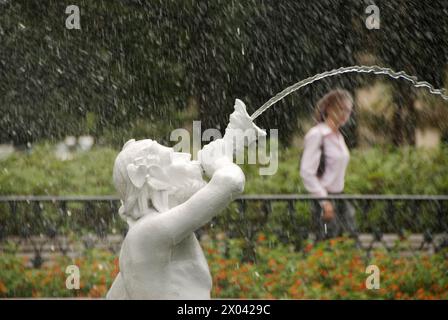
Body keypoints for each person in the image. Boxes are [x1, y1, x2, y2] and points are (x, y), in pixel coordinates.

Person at [106, 99, 265, 299]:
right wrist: (220, 162)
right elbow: (231, 182)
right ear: (153, 180)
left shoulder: (144, 236)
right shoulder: (148, 233)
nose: (187, 158)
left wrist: (231, 144)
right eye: (173, 158)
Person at [300, 89, 357, 241]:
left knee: (349, 244)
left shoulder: (339, 137)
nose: (345, 114)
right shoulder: (317, 134)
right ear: (330, 109)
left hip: (340, 198)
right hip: (324, 198)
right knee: (327, 245)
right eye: (341, 109)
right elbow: (306, 172)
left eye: (348, 110)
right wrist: (324, 202)